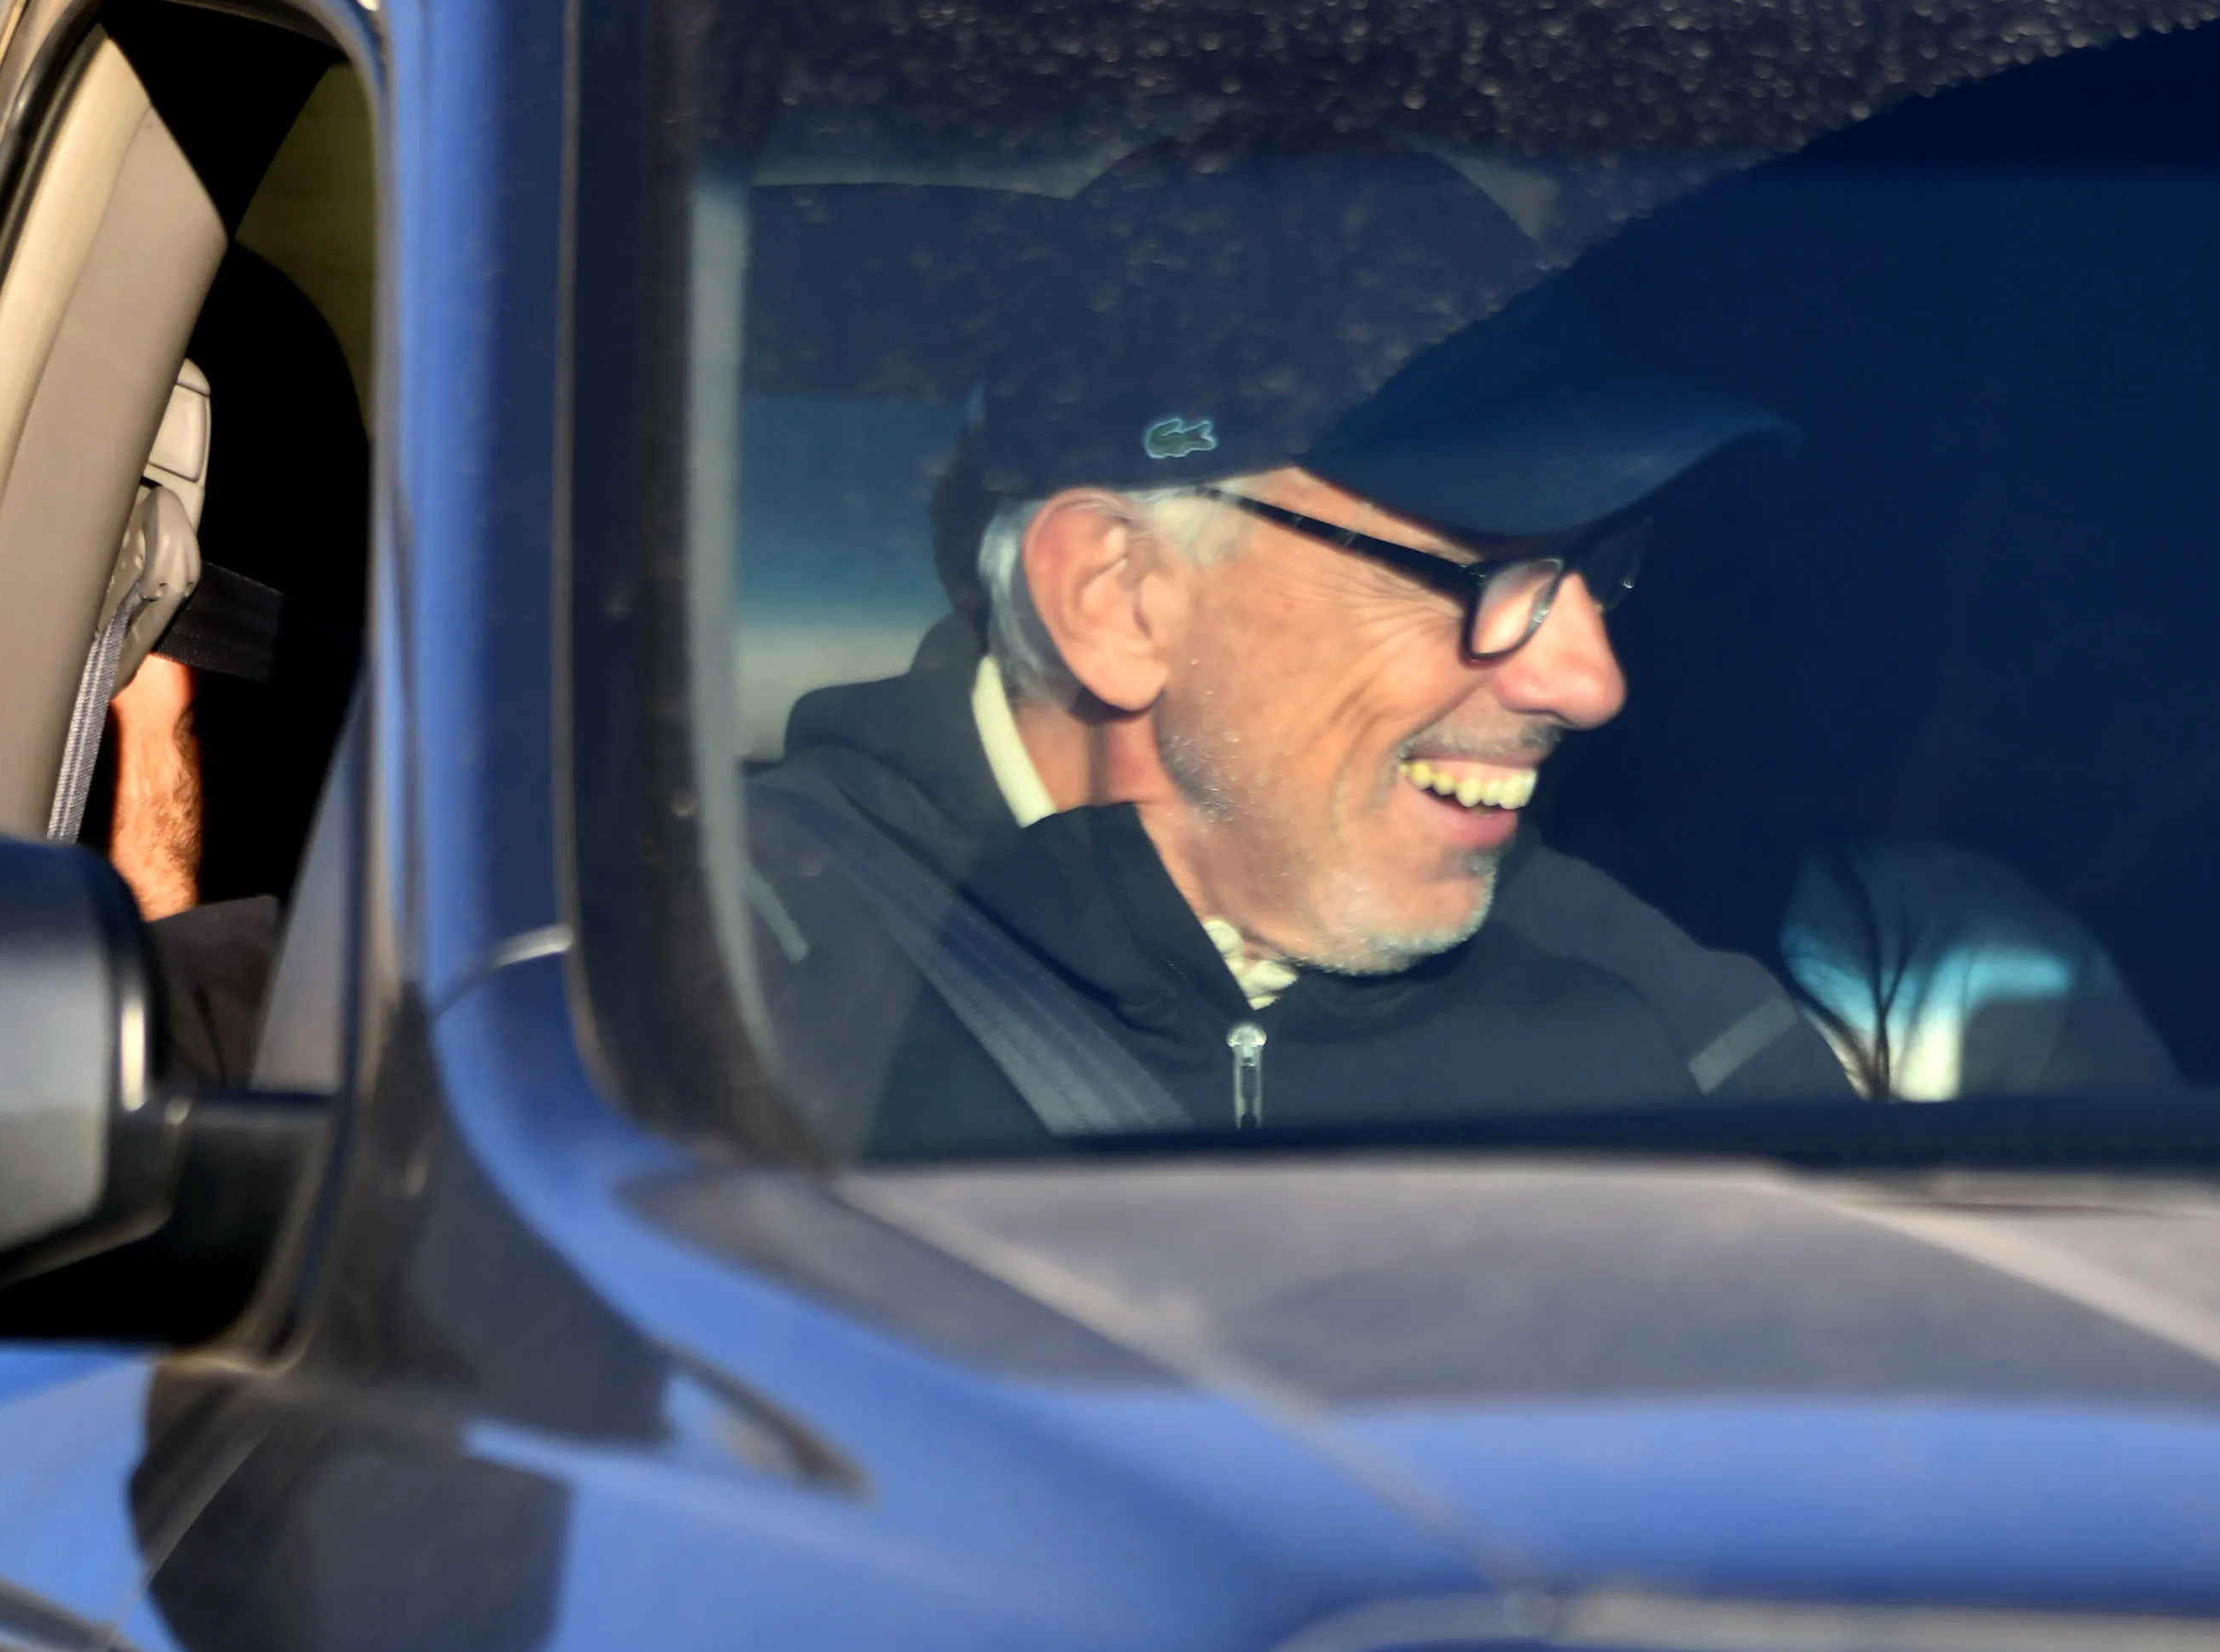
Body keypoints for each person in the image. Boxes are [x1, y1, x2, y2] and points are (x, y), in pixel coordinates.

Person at [744, 143, 1847, 1146]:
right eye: (1473, 567)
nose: (1589, 683)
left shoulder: (1687, 1051)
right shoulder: (723, 997)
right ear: (1118, 597)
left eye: (1594, 561)